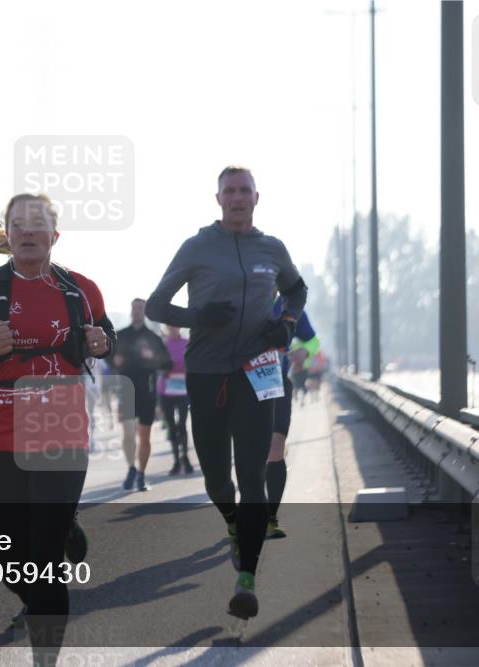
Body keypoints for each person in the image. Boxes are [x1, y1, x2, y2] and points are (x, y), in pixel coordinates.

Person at [0, 193, 115, 664]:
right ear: (9, 235)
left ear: (55, 235)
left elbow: (105, 335)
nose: (29, 232)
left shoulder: (81, 290)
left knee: (45, 561)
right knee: (13, 563)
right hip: (2, 434)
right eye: (19, 224)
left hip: (61, 429)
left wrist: (103, 340)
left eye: (38, 224)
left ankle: (45, 657)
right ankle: (56, 554)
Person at [146, 165, 307, 620]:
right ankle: (234, 524)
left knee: (252, 473)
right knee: (217, 477)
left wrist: (287, 323)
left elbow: (298, 292)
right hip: (207, 373)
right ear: (218, 199)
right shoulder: (197, 247)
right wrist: (199, 315)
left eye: (244, 191)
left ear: (258, 198)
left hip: (257, 372)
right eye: (229, 191)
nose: (237, 198)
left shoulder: (272, 249)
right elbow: (158, 304)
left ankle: (247, 579)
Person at [266, 297, 319, 540]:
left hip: (277, 385)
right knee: (253, 454)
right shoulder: (242, 296)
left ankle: (270, 518)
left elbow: (314, 341)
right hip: (243, 388)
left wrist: (303, 352)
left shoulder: (288, 305)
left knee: (276, 448)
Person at [111, 298, 172, 491]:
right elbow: (107, 356)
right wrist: (115, 361)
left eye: (140, 308)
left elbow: (167, 364)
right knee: (128, 433)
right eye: (134, 307)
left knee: (144, 437)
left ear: (144, 311)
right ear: (130, 310)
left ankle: (142, 475)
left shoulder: (153, 337)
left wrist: (152, 358)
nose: (137, 311)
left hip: (147, 392)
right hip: (126, 392)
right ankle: (131, 468)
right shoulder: (120, 336)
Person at [157, 325, 193, 476]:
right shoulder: (163, 344)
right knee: (171, 426)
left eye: (175, 326)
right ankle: (176, 460)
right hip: (166, 390)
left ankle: (185, 457)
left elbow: (192, 362)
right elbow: (156, 364)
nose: (173, 329)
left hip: (183, 389)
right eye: (170, 327)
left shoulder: (187, 342)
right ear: (166, 328)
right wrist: (164, 366)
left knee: (182, 424)